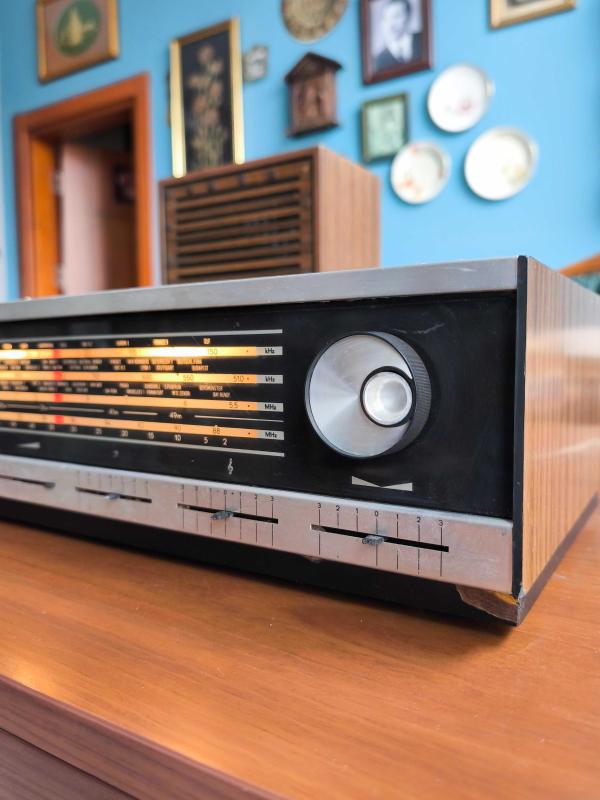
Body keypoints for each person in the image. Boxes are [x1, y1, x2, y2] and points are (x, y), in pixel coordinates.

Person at [374, 0, 422, 72]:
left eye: (396, 16)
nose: (391, 25)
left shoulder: (422, 40)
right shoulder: (379, 60)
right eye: (386, 18)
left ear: (408, 16)